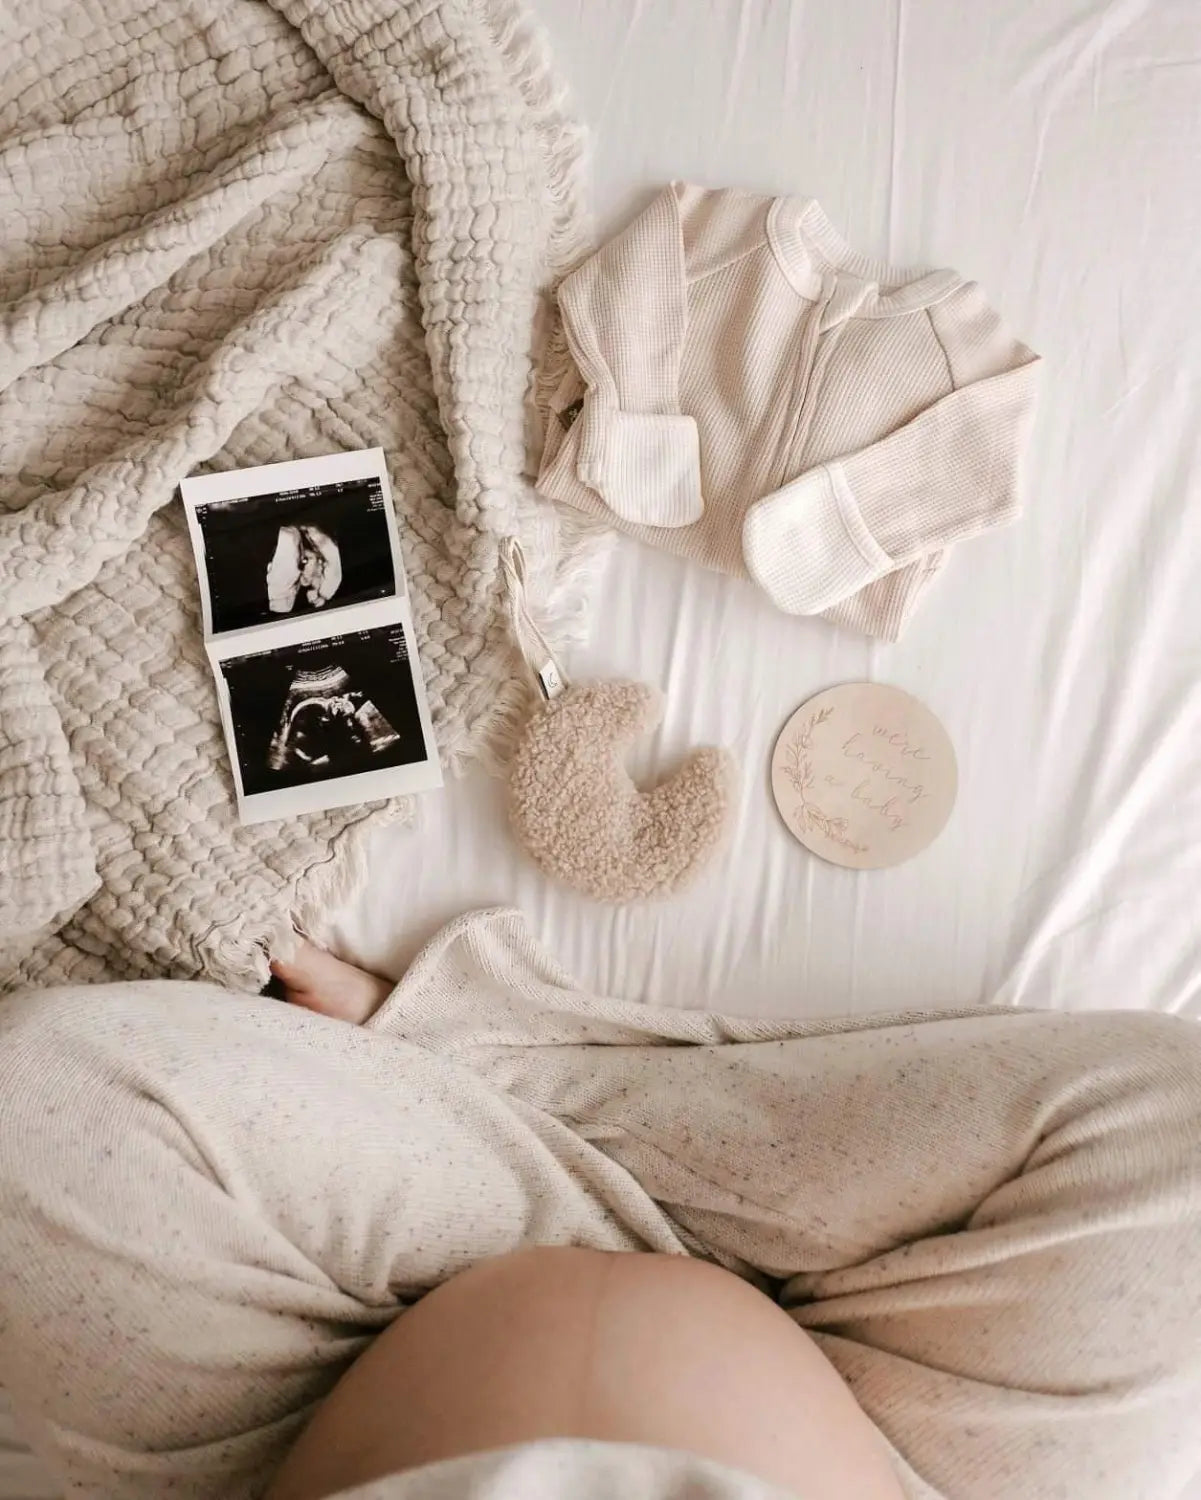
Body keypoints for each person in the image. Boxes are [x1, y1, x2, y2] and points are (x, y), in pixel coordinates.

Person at [1, 907, 1199, 1500]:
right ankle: (534, 1098)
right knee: (1177, 1127)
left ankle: (499, 1096)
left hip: (301, 1440)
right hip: (898, 1456)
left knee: (36, 1104)